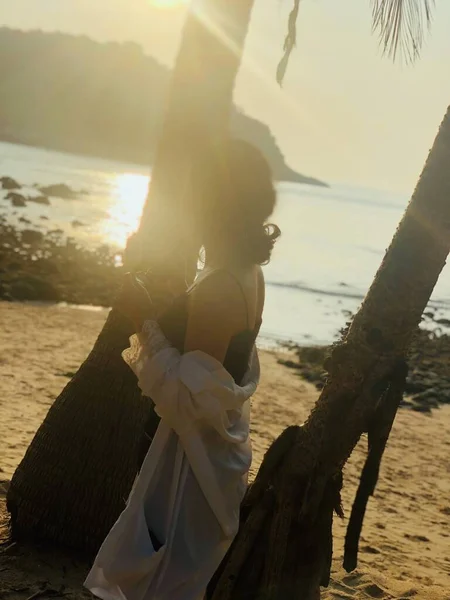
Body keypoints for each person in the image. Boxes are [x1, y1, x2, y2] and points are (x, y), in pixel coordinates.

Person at [85, 139, 280, 600]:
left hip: (186, 464)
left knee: (156, 577)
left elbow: (188, 399)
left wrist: (142, 319)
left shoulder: (219, 287)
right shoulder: (247, 271)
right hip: (205, 455)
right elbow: (221, 369)